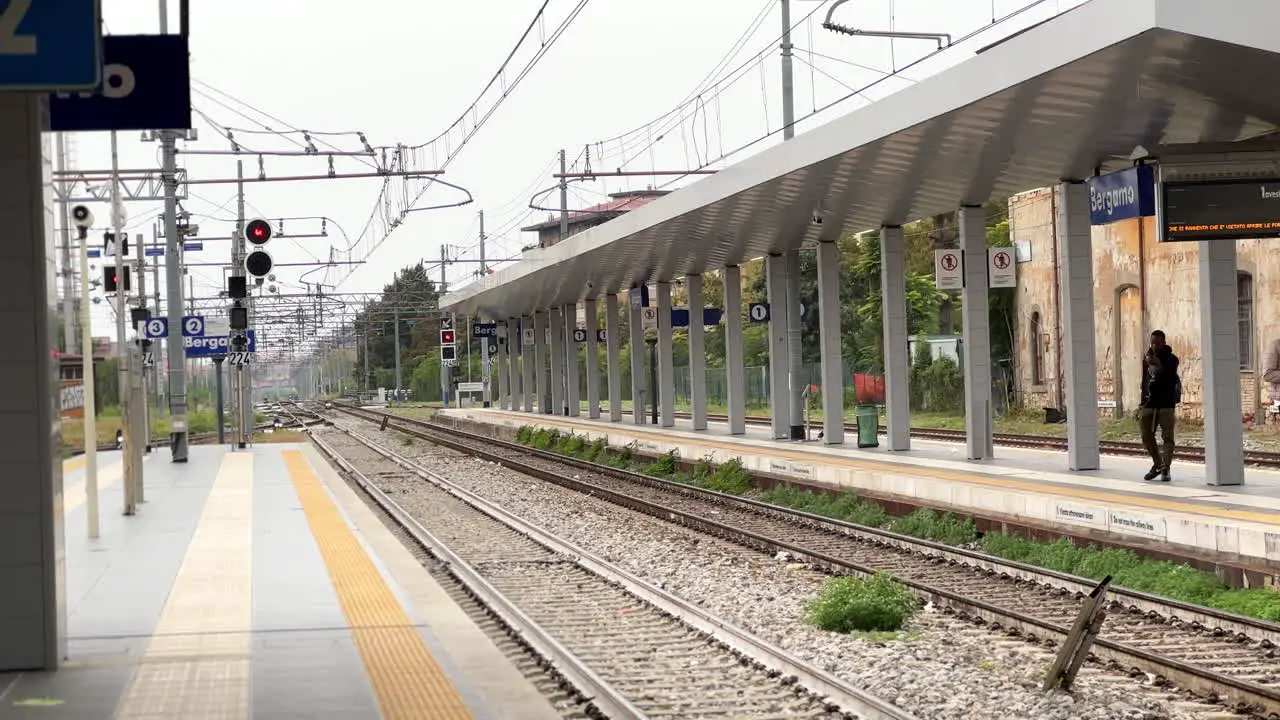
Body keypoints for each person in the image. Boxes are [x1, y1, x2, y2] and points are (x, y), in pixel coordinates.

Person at [1139, 330, 1180, 482]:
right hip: (1150, 402)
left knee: (1167, 437)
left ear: (1163, 342)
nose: (1154, 346)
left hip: (1167, 403)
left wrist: (1156, 363)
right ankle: (1157, 463)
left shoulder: (1172, 359)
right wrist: (1142, 401)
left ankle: (1166, 468)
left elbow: (1168, 377)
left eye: (1157, 343)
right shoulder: (1147, 359)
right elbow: (1144, 381)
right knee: (1146, 435)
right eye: (1152, 343)